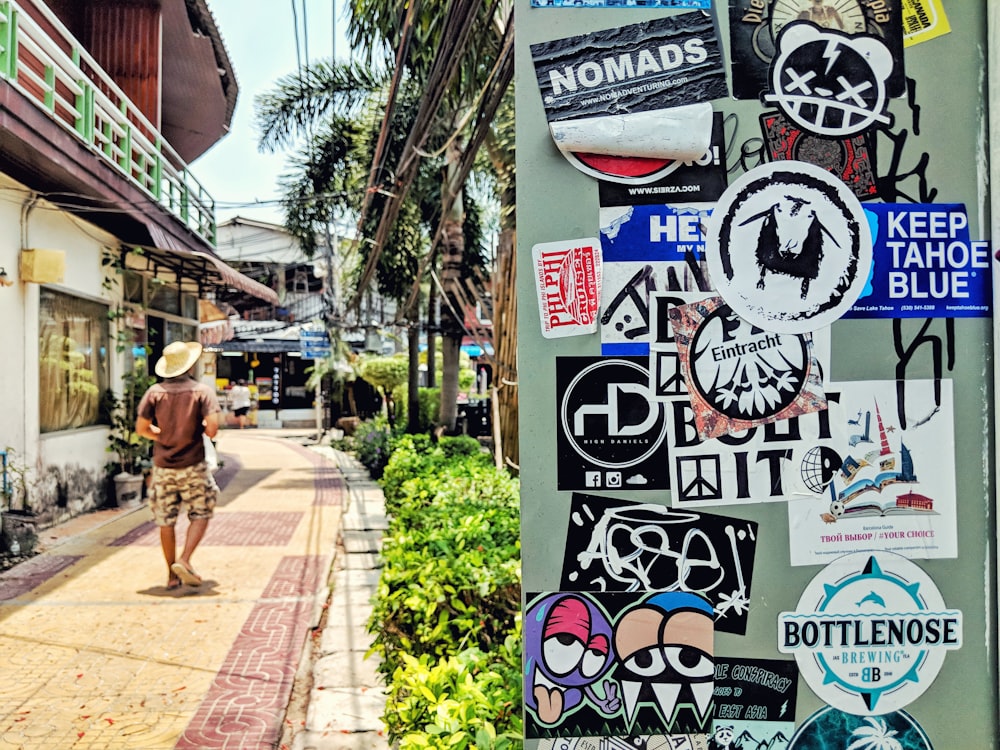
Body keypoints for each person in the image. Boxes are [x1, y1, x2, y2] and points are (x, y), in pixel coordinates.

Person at [135, 341, 221, 591]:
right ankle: (184, 559)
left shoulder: (154, 393)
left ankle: (171, 575)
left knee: (165, 520)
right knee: (201, 513)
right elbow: (213, 427)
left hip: (162, 466)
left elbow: (141, 429)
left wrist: (162, 435)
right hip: (193, 464)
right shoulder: (202, 392)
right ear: (190, 364)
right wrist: (194, 431)